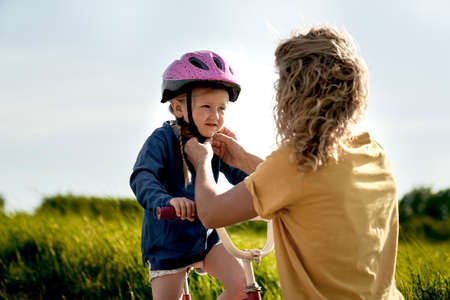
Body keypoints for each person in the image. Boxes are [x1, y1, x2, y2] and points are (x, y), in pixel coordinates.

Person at [185, 26, 404, 299]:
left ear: (296, 92)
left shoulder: (295, 161)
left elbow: (212, 213)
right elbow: (308, 189)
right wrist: (241, 158)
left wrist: (202, 161)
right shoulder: (373, 152)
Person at [129, 50, 247, 300]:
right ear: (179, 108)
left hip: (205, 239)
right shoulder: (162, 140)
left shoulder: (216, 143)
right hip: (168, 245)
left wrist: (266, 190)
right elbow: (143, 177)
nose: (215, 116)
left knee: (242, 287)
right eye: (206, 107)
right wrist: (167, 201)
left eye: (221, 108)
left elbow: (243, 178)